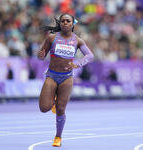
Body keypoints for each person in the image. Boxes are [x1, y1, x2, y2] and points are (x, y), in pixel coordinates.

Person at [37, 13, 94, 147]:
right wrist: (40, 55)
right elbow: (41, 56)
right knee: (44, 108)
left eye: (68, 21)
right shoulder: (52, 38)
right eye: (62, 21)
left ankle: (58, 137)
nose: (65, 23)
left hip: (67, 78)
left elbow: (90, 55)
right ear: (60, 23)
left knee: (61, 109)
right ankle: (53, 101)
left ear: (73, 24)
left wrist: (78, 64)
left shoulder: (78, 40)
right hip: (51, 75)